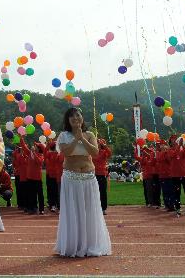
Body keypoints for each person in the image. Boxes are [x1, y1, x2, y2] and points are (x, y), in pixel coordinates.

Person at [54, 107, 111, 257]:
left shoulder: (90, 134)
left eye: (78, 115)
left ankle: (91, 244)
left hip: (88, 178)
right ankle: (75, 245)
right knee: (73, 211)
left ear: (82, 117)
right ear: (68, 120)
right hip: (71, 179)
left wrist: (82, 138)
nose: (75, 118)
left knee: (89, 211)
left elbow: (95, 152)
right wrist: (76, 138)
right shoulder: (63, 136)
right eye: (71, 116)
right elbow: (66, 152)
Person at [93, 139, 111, 214]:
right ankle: (95, 208)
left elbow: (109, 153)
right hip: (93, 174)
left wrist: (104, 145)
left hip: (102, 174)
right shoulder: (93, 152)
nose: (98, 143)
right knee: (94, 192)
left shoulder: (104, 152)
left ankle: (103, 208)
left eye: (99, 143)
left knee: (102, 192)